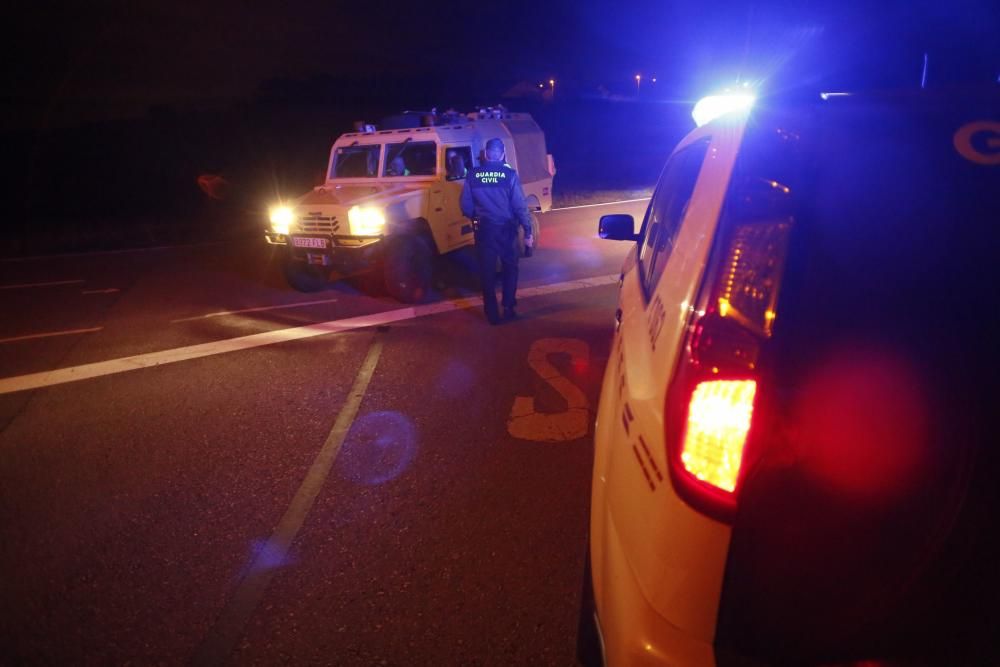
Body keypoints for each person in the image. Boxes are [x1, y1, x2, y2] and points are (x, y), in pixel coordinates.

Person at [460, 137, 534, 324]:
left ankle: (491, 314)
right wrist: (528, 230)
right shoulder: (510, 175)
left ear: (485, 154)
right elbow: (520, 206)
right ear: (502, 155)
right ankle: (508, 308)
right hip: (507, 230)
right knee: (510, 268)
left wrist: (476, 216)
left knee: (487, 272)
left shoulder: (472, 175)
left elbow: (465, 205)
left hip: (484, 230)